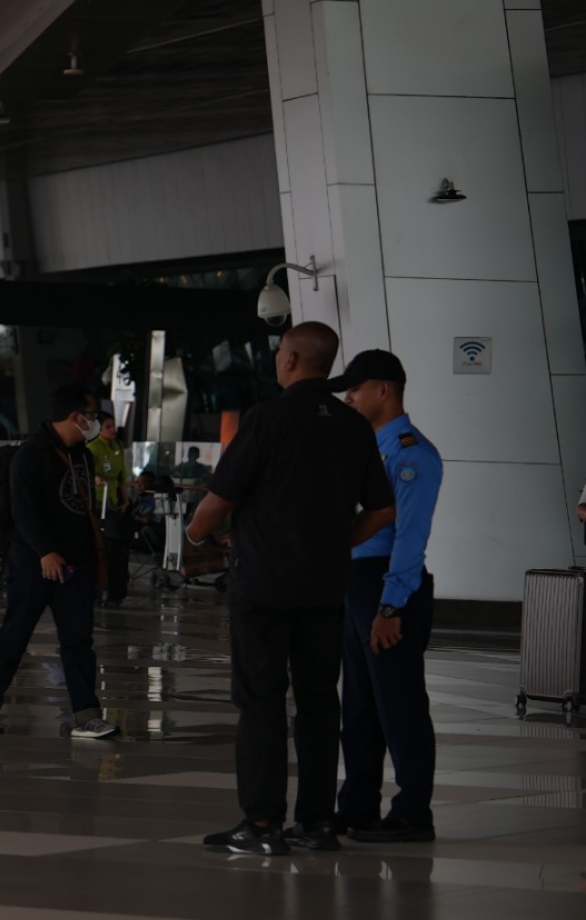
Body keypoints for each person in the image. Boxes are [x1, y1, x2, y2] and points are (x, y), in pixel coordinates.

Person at [185, 322, 395, 856]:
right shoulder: (353, 427)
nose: (278, 358)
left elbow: (218, 501)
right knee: (320, 701)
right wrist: (338, 545)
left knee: (260, 700)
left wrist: (193, 534)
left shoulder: (267, 419)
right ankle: (318, 823)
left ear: (293, 358)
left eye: (281, 351)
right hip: (325, 588)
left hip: (263, 587)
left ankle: (259, 825)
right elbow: (382, 508)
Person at [0, 386, 120, 741]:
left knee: (79, 640)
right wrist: (45, 552)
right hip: (33, 561)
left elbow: (83, 508)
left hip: (74, 562)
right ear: (74, 416)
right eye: (91, 416)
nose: (94, 423)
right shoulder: (31, 455)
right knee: (16, 634)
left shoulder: (83, 455)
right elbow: (23, 510)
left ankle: (86, 715)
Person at [331, 350, 441, 843]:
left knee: (399, 705)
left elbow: (410, 538)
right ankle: (356, 805)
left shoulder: (411, 453)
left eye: (355, 389)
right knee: (358, 705)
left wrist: (391, 606)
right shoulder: (364, 447)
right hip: (357, 584)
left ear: (384, 390)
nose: (349, 398)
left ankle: (413, 811)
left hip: (388, 585)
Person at [88, 412, 132, 606]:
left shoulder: (118, 447)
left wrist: (125, 499)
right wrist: (95, 478)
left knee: (118, 546)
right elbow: (87, 472)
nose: (112, 430)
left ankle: (116, 589)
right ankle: (99, 588)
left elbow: (122, 475)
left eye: (113, 426)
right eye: (108, 426)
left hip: (112, 501)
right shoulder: (93, 447)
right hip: (98, 502)